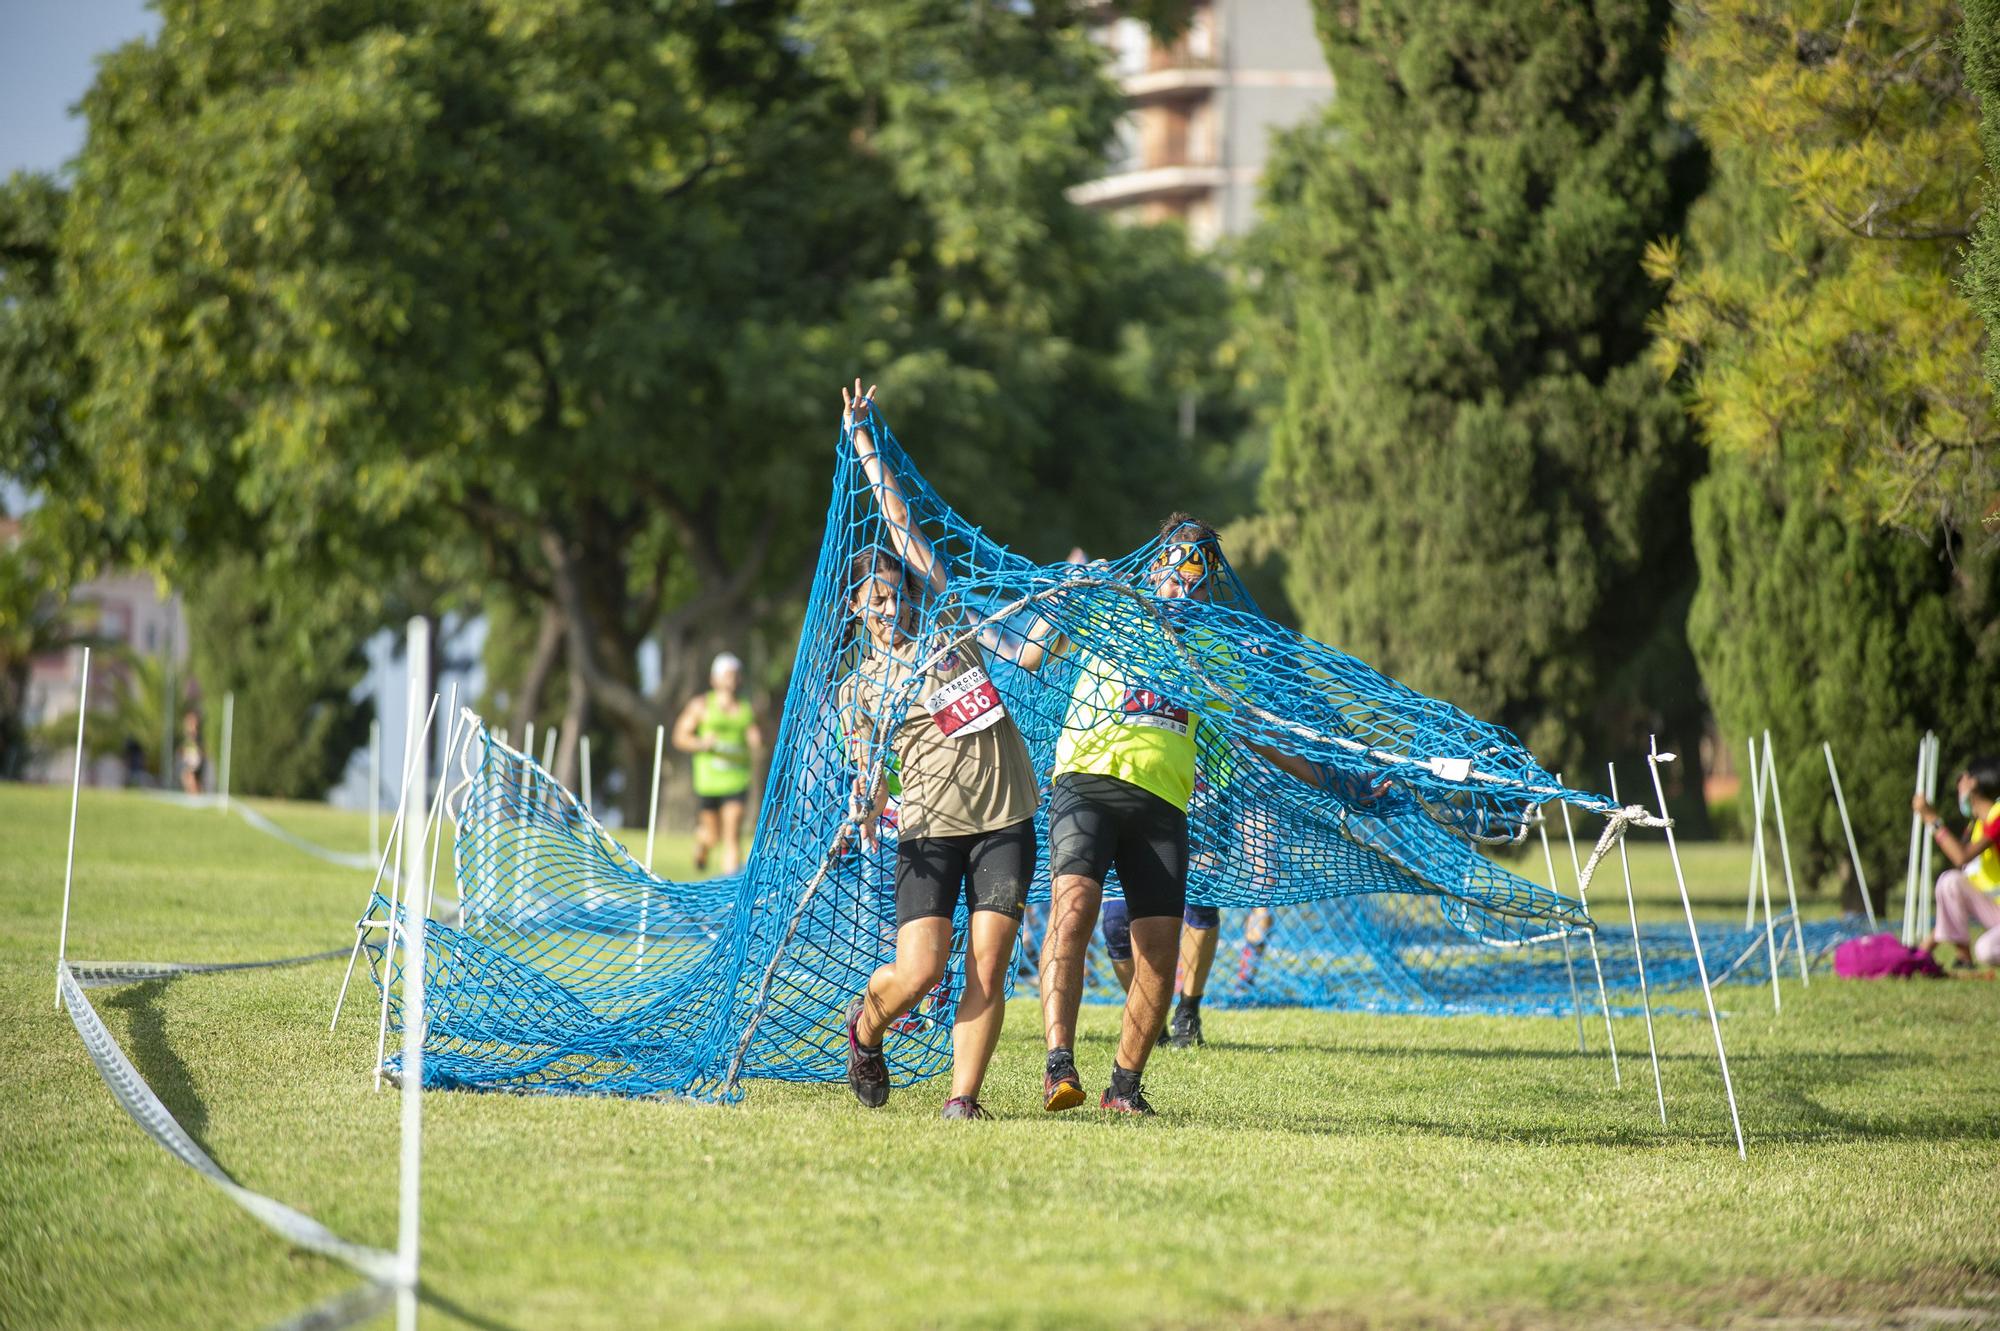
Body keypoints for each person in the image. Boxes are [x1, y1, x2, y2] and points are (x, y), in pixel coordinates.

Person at [1011, 516, 1354, 1114]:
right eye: (1175, 563)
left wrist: (1330, 778)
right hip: (1088, 781)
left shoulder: (1215, 649)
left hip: (1164, 804)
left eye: (1199, 569)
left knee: (1161, 956)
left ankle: (1124, 1087)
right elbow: (1033, 658)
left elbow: (1254, 728)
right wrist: (1067, 594)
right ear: (1154, 565)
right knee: (1074, 915)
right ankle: (1059, 1065)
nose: (1184, 579)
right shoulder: (1109, 610)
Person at [835, 380, 1040, 1121]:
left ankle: (962, 1098)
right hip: (927, 829)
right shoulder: (860, 688)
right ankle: (864, 1027)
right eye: (875, 601)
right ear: (857, 609)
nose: (889, 609)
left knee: (989, 962)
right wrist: (864, 805)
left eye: (894, 594)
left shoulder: (947, 624)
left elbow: (902, 524)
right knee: (922, 969)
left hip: (1007, 815)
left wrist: (865, 444)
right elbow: (872, 773)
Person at [672, 653, 763, 876]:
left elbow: (755, 737)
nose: (732, 679)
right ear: (715, 679)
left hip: (736, 780)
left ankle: (730, 892)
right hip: (708, 782)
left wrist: (757, 742)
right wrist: (701, 743)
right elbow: (679, 737)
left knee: (732, 835)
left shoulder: (745, 709)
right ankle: (702, 843)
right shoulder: (701, 706)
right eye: (727, 674)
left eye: (735, 674)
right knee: (713, 836)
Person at [1914, 755, 2000, 969]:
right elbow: (1955, 895)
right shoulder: (1976, 826)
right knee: (1950, 881)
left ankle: (1971, 955)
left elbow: (1960, 856)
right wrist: (1923, 951)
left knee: (1987, 950)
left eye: (1962, 778)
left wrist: (1932, 819)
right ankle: (1964, 958)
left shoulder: (1997, 816)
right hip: (1995, 912)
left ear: (1973, 782)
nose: (1958, 785)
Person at [177, 709, 205, 796]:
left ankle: (197, 795)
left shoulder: (196, 736)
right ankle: (192, 796)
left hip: (194, 760)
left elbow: (200, 749)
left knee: (191, 778)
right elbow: (184, 748)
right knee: (186, 778)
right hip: (189, 759)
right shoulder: (187, 736)